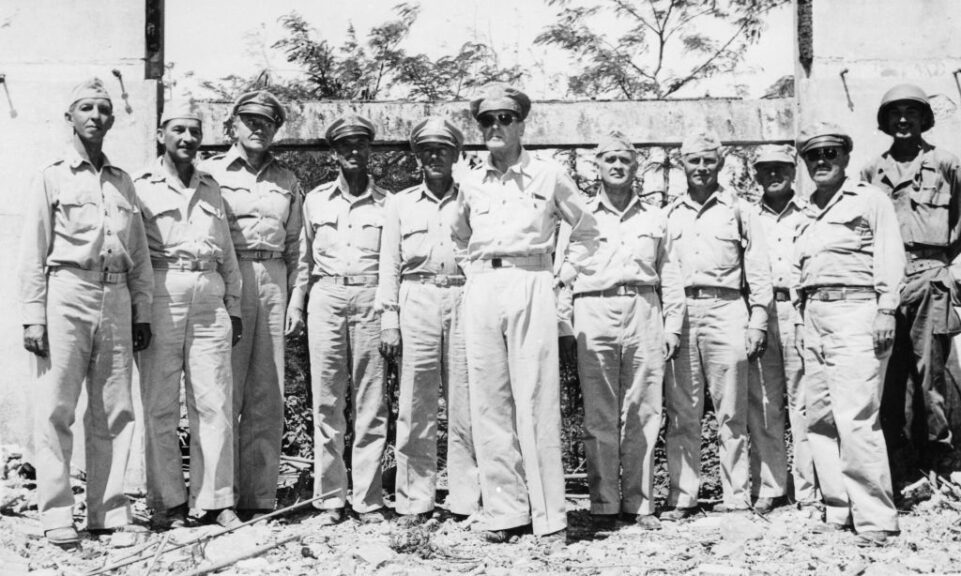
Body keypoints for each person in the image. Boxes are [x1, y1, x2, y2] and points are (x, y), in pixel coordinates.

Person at [450, 83, 599, 543]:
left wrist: (562, 274)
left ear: (521, 123)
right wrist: (473, 275)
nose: (495, 127)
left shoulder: (548, 175)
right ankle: (506, 511)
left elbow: (588, 232)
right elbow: (459, 235)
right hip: (482, 285)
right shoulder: (470, 179)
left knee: (535, 400)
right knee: (489, 401)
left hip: (532, 280)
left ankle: (550, 516)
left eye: (505, 118)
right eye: (486, 120)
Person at [19, 78, 153, 547]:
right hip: (67, 292)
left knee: (115, 409)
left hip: (116, 295)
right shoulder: (52, 176)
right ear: (70, 118)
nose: (95, 116)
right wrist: (33, 314)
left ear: (112, 120)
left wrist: (142, 311)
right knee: (56, 406)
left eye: (103, 109)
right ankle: (56, 513)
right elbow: (33, 252)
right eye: (85, 108)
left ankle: (109, 512)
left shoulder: (123, 182)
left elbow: (138, 251)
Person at [555, 131, 684, 531]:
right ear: (597, 167)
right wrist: (563, 326)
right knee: (599, 414)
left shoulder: (655, 217)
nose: (616, 166)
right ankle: (604, 504)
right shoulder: (578, 216)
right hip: (593, 310)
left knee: (643, 410)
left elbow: (671, 274)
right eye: (608, 159)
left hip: (644, 308)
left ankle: (638, 504)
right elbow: (562, 276)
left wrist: (673, 326)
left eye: (624, 160)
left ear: (636, 167)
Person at [794, 121, 904, 546]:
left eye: (831, 153)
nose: (822, 161)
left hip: (856, 310)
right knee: (819, 417)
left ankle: (876, 519)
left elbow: (889, 255)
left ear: (846, 157)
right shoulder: (805, 209)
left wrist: (886, 310)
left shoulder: (870, 200)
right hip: (814, 312)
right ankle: (839, 508)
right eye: (813, 155)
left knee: (856, 415)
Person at [134, 102, 244, 529]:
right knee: (161, 404)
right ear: (162, 134)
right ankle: (169, 504)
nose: (187, 139)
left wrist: (232, 307)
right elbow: (138, 256)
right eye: (178, 130)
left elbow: (229, 254)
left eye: (195, 132)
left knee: (214, 401)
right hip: (163, 293)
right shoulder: (141, 186)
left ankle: (216, 501)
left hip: (209, 297)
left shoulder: (212, 187)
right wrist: (141, 312)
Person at [201, 90, 303, 518]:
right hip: (231, 276)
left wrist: (296, 301)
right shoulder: (210, 174)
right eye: (250, 119)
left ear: (276, 129)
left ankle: (258, 498)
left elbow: (299, 247)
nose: (258, 127)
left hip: (275, 280)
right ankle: (220, 498)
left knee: (267, 393)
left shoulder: (287, 180)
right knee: (223, 392)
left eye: (267, 121)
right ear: (233, 125)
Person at [662, 131, 773, 520]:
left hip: (727, 308)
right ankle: (682, 497)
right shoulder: (668, 212)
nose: (701, 168)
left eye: (709, 160)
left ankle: (736, 495)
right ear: (683, 164)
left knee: (732, 411)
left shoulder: (740, 209)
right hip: (681, 313)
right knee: (682, 410)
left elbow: (758, 268)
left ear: (721, 163)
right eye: (694, 160)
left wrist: (758, 317)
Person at [377, 116, 481, 524]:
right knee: (415, 404)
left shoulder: (472, 197)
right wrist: (389, 317)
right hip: (415, 297)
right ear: (418, 156)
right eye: (427, 150)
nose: (435, 156)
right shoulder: (399, 203)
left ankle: (464, 498)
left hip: (463, 294)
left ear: (456, 155)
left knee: (464, 401)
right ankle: (413, 499)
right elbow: (389, 264)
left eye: (444, 149)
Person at [289, 113, 389, 524]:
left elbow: (392, 264)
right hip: (326, 295)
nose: (353, 151)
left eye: (360, 144)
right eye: (344, 144)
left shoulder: (388, 203)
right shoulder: (314, 200)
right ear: (334, 152)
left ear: (369, 150)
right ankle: (330, 498)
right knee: (327, 399)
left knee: (371, 399)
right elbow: (303, 259)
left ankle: (367, 500)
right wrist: (297, 302)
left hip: (370, 296)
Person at [860, 84, 961, 478]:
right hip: (886, 281)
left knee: (931, 376)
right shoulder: (871, 171)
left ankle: (941, 460)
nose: (903, 120)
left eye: (911, 112)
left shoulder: (948, 164)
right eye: (895, 113)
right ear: (884, 121)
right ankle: (900, 466)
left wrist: (943, 261)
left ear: (924, 118)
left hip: (931, 277)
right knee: (890, 377)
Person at [747, 144, 814, 513]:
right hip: (758, 312)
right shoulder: (745, 213)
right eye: (766, 169)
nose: (774, 175)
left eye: (781, 168)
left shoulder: (810, 212)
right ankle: (771, 486)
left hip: (797, 309)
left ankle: (808, 488)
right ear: (755, 174)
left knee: (803, 400)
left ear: (793, 171)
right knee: (764, 401)